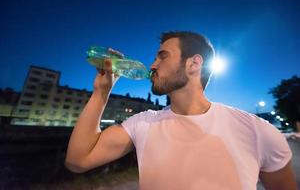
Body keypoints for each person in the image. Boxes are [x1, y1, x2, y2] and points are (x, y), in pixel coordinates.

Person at [65, 31, 297, 190]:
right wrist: (101, 92)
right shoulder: (143, 123)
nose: (153, 65)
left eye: (162, 56)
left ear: (194, 64)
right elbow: (78, 160)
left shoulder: (256, 129)